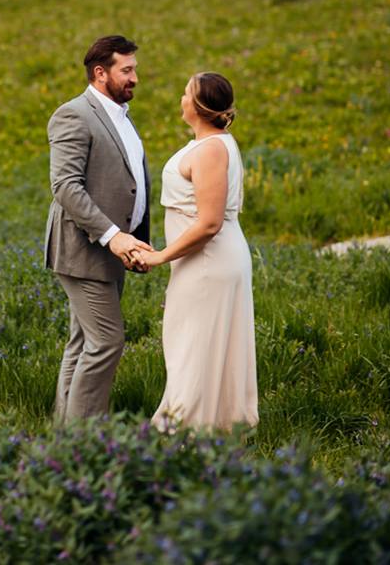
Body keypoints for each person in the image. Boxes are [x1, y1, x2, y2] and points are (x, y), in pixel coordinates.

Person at [136, 72, 257, 430]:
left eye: (186, 93)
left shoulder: (210, 150)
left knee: (192, 344)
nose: (182, 99)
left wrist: (159, 256)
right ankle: (218, 426)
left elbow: (209, 223)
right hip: (209, 260)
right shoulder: (212, 143)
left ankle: (182, 429)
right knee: (201, 341)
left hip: (209, 261)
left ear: (199, 106)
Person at [44, 35, 154, 421]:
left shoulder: (121, 116)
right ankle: (84, 447)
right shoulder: (74, 114)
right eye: (127, 70)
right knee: (107, 342)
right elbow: (65, 187)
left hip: (113, 251)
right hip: (84, 251)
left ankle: (62, 436)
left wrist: (137, 242)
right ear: (100, 72)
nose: (135, 77)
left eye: (135, 69)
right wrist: (114, 237)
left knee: (82, 343)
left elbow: (127, 183)